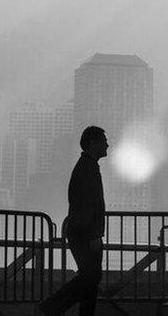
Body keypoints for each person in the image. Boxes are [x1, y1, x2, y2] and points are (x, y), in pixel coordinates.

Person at [37, 126, 109, 316]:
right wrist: (94, 235)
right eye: (103, 140)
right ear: (93, 143)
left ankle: (55, 309)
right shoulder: (86, 169)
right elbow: (87, 204)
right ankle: (49, 307)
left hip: (84, 232)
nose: (107, 144)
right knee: (89, 277)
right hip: (84, 233)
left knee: (91, 279)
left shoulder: (88, 166)